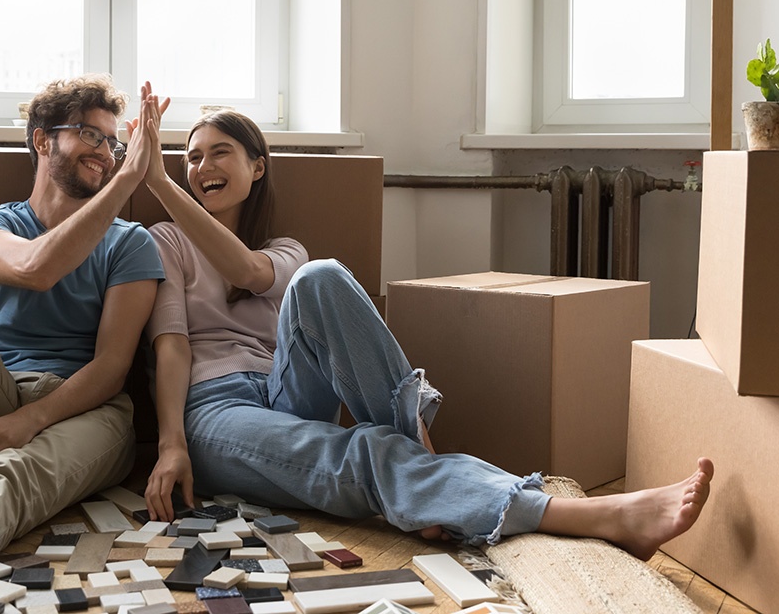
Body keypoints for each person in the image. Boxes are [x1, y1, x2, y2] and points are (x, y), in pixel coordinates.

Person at [134, 93, 713, 561]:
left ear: (257, 166)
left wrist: (156, 180)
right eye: (190, 157)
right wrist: (170, 446)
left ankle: (423, 470)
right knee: (361, 451)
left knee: (321, 276)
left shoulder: (284, 250)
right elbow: (172, 349)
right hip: (217, 409)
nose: (201, 167)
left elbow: (246, 270)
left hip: (285, 390)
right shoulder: (165, 241)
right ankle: (595, 514)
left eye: (219, 152)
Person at [0, 74, 168, 592]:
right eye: (91, 135)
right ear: (43, 139)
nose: (106, 154)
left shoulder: (131, 243)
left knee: (10, 480)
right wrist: (11, 415)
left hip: (85, 413)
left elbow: (111, 369)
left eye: (114, 143)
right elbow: (36, 269)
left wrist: (31, 419)